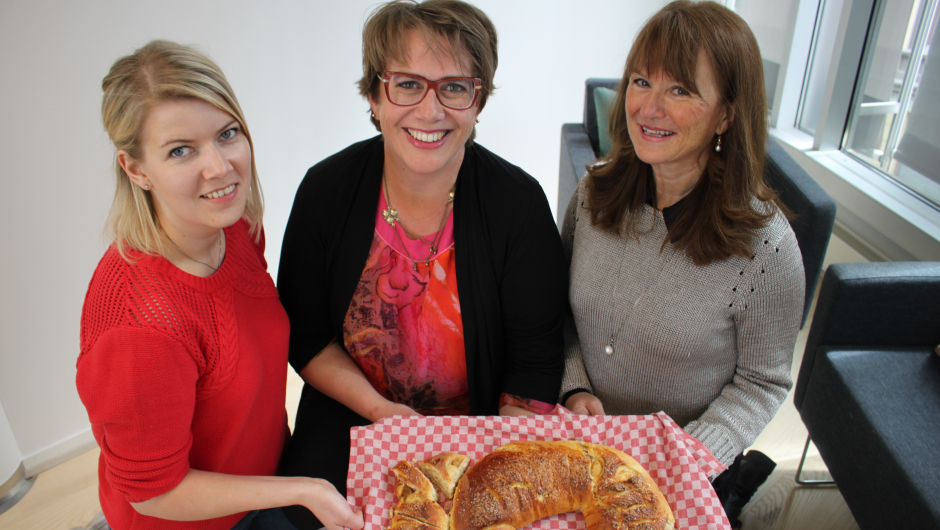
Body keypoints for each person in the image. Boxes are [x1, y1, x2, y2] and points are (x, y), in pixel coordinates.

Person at [276, 0, 568, 526]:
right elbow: (307, 335)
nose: (430, 111)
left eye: (454, 87)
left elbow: (534, 365)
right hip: (353, 414)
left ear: (478, 101)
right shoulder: (325, 191)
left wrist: (493, 472)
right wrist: (380, 412)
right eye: (408, 84)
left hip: (479, 430)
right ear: (374, 96)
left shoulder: (518, 204)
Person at [76, 40, 365, 530]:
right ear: (136, 169)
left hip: (265, 480)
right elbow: (155, 493)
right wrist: (302, 489)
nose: (219, 167)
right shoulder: (138, 330)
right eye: (181, 150)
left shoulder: (235, 226)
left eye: (227, 134)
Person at [559, 0, 805, 505]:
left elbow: (762, 381)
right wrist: (573, 385)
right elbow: (556, 308)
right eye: (641, 81)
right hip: (579, 445)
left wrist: (694, 453)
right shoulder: (591, 195)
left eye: (680, 89)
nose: (649, 107)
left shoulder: (766, 248)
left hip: (682, 469)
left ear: (727, 115)